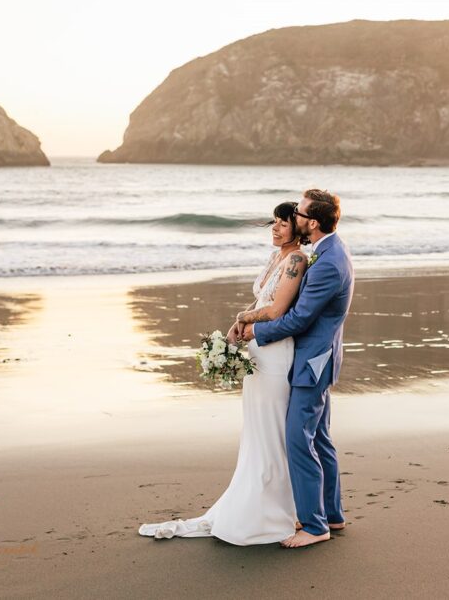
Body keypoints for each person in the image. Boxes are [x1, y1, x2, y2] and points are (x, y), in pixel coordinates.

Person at [138, 202, 306, 545]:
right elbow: (263, 304)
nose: (274, 229)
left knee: (272, 428)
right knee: (255, 429)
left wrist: (243, 316)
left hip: (276, 354)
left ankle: (278, 510)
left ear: (297, 229)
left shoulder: (297, 260)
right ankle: (258, 502)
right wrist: (238, 325)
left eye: (282, 224)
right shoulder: (275, 257)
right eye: (272, 222)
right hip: (258, 350)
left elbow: (276, 310)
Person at [239, 188, 354, 548]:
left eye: (300, 213)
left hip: (311, 362)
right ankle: (332, 515)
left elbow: (299, 320)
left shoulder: (328, 262)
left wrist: (254, 331)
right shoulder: (328, 251)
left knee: (298, 440)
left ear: (313, 223)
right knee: (319, 438)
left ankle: (315, 525)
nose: (295, 217)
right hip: (319, 358)